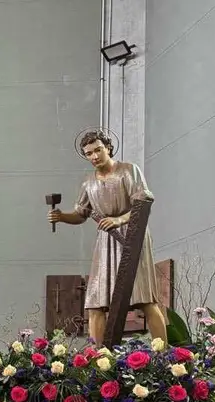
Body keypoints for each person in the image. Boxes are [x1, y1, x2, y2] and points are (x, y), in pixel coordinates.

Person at [47, 129, 166, 345]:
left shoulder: (128, 171)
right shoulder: (88, 183)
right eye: (89, 153)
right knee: (95, 302)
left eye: (98, 150)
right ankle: (99, 355)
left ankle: (163, 352)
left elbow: (143, 201)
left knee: (145, 298)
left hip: (132, 236)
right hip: (106, 240)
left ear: (108, 148)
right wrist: (62, 216)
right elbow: (81, 213)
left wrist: (120, 220)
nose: (94, 156)